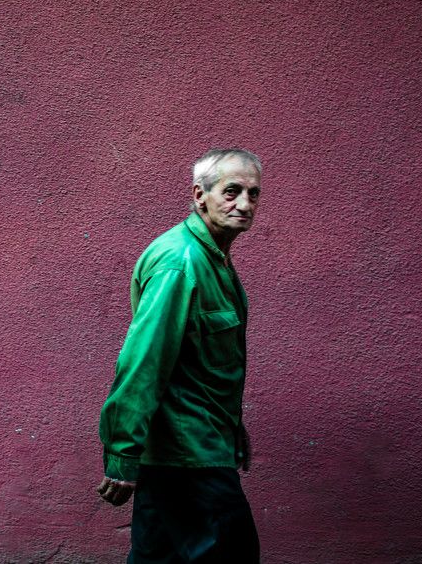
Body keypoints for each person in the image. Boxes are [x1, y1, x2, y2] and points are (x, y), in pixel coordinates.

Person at [96, 148, 263, 563]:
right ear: (199, 195)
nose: (244, 204)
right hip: (188, 457)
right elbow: (144, 361)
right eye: (231, 192)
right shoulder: (180, 262)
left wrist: (231, 429)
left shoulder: (213, 259)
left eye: (253, 193)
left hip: (192, 448)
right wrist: (122, 452)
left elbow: (201, 365)